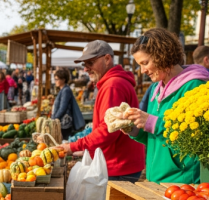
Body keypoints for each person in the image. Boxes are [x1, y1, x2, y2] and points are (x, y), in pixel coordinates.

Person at [122, 29, 209, 184]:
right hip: (156, 181)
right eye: (140, 65)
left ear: (162, 56)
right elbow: (158, 139)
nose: (143, 70)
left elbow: (197, 138)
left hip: (183, 183)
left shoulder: (195, 86)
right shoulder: (155, 89)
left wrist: (154, 123)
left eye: (145, 63)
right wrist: (135, 130)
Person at [55, 41, 145, 182]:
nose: (86, 69)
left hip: (118, 164)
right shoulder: (113, 83)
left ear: (107, 59)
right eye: (84, 64)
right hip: (120, 162)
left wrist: (73, 146)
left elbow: (107, 131)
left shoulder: (112, 85)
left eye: (90, 63)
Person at [51, 68, 85, 140]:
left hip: (64, 123)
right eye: (55, 79)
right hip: (63, 122)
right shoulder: (63, 89)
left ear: (63, 80)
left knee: (64, 141)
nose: (55, 81)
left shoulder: (65, 90)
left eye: (57, 79)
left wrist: (54, 119)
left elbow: (63, 108)